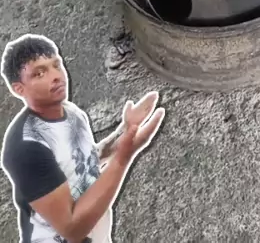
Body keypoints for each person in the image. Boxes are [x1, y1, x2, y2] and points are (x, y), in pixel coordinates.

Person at [1, 34, 165, 243]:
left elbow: (87, 160)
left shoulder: (72, 113)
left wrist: (124, 131)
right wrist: (123, 157)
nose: (56, 76)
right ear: (19, 89)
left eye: (56, 65)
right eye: (40, 73)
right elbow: (73, 230)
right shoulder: (26, 148)